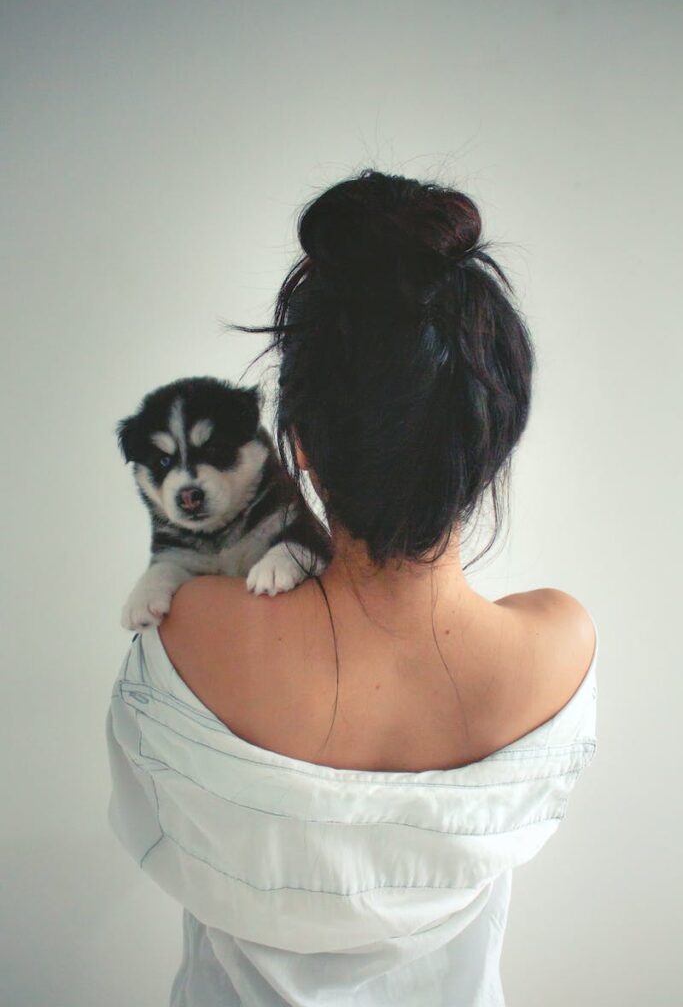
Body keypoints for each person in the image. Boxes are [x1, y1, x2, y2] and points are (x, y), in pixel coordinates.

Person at [106, 168, 598, 1006]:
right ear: (496, 432)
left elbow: (144, 828)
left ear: (293, 441)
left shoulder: (193, 625)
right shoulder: (558, 645)